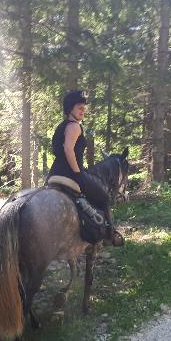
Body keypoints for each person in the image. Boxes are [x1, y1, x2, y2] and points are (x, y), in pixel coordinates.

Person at [47, 89, 123, 246]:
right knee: (104, 197)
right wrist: (77, 172)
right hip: (72, 174)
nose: (83, 111)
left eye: (84, 108)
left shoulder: (61, 126)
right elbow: (68, 149)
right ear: (70, 109)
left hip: (54, 173)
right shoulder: (75, 126)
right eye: (80, 108)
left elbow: (59, 149)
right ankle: (110, 234)